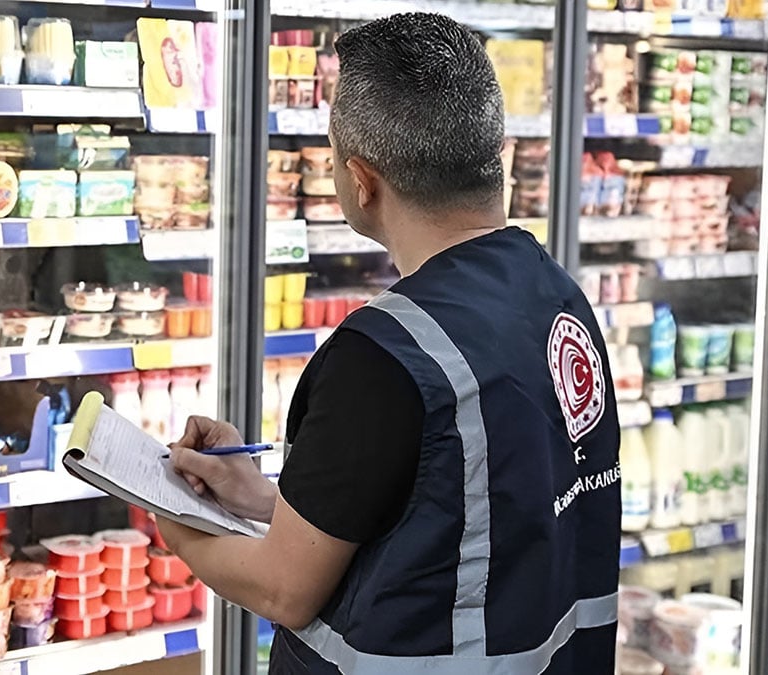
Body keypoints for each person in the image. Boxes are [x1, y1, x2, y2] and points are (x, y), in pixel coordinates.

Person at [157, 12, 621, 675]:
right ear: (497, 154)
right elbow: (466, 504)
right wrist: (265, 499)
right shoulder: (556, 298)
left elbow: (281, 587)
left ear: (363, 181)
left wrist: (172, 517)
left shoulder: (386, 354)